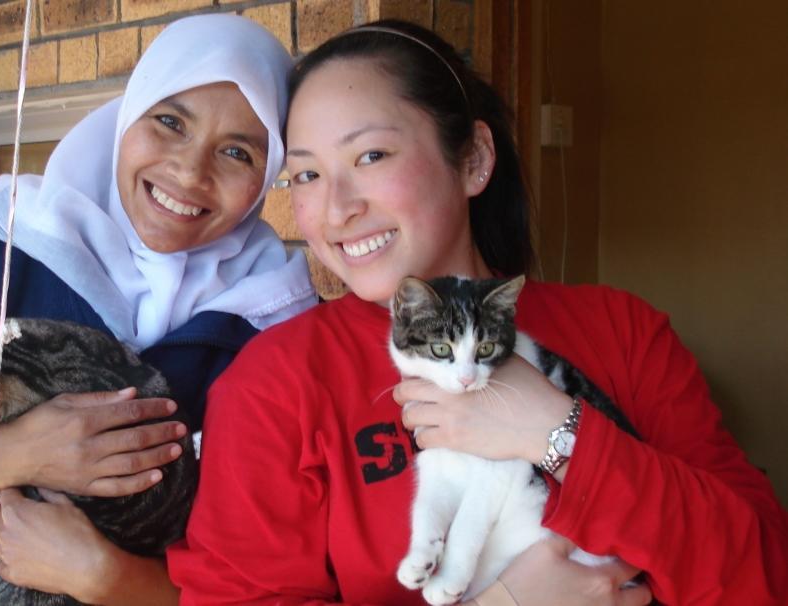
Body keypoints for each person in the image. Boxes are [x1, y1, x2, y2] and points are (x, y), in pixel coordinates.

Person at [167, 20, 788, 606]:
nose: (337, 209)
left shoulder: (623, 332)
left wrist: (556, 431)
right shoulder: (274, 383)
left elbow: (764, 573)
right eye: (305, 174)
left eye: (371, 156)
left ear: (473, 159)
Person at [0, 14, 316, 605]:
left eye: (237, 152)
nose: (190, 171)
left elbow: (263, 582)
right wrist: (19, 454)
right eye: (170, 122)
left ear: (270, 173)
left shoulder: (277, 328)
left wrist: (107, 577)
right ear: (128, 115)